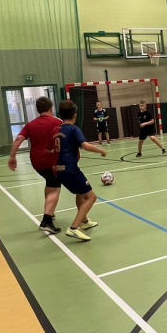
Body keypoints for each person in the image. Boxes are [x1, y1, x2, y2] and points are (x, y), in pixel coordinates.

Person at [7, 95, 63, 234]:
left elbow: (18, 139)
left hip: (36, 162)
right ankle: (46, 221)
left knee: (49, 182)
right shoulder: (58, 122)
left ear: (37, 109)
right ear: (51, 108)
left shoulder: (30, 124)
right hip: (53, 161)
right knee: (55, 188)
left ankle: (50, 211)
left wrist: (12, 156)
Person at [55, 100, 107, 242]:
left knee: (80, 193)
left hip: (59, 170)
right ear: (75, 115)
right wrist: (101, 151)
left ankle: (84, 221)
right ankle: (73, 228)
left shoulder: (56, 129)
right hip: (71, 169)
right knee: (91, 197)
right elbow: (86, 146)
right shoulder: (74, 129)